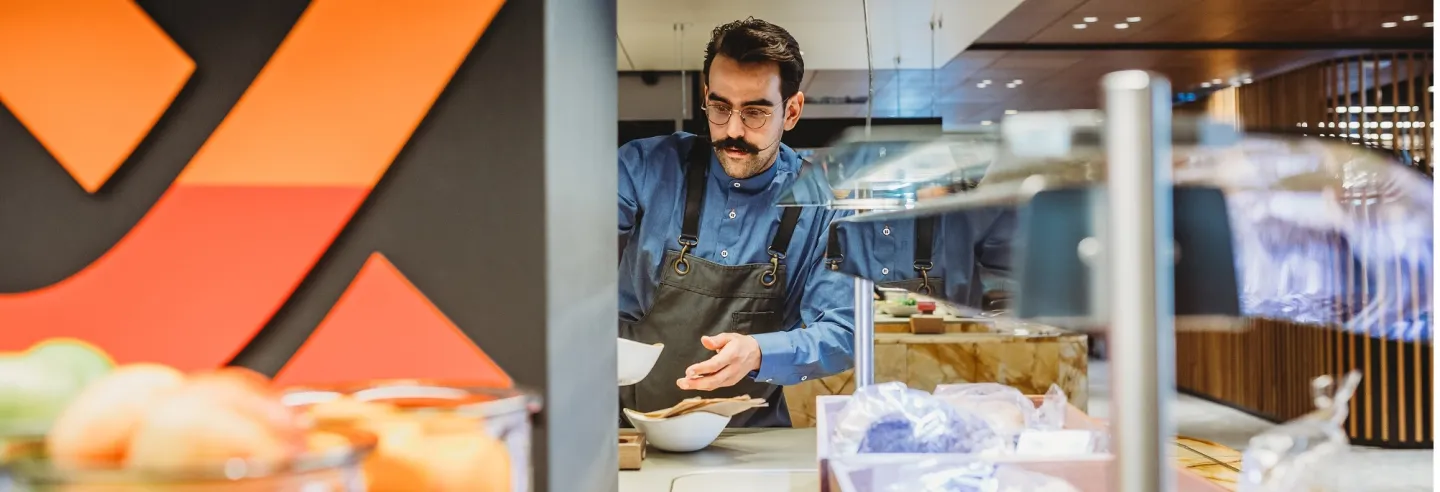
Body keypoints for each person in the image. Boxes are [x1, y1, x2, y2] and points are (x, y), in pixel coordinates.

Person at [616, 18, 855, 428]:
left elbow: (843, 332)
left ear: (791, 111)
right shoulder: (643, 168)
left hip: (750, 440)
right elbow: (569, 253)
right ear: (705, 96)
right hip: (630, 433)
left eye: (755, 112)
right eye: (720, 107)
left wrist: (760, 353)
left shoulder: (824, 206)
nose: (732, 130)